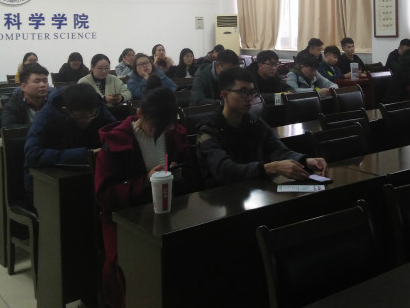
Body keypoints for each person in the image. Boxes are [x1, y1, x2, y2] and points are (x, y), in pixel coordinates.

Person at [95, 87, 199, 308]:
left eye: (166, 127)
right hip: (125, 219)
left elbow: (192, 171)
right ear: (139, 113)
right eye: (155, 127)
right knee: (137, 260)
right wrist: (144, 182)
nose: (159, 133)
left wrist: (179, 172)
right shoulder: (116, 142)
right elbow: (104, 196)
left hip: (170, 210)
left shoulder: (172, 134)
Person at [197, 67, 327, 188]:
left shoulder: (254, 122)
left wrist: (305, 160)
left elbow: (279, 150)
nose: (249, 98)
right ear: (224, 95)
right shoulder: (209, 130)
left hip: (252, 190)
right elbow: (225, 171)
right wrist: (271, 168)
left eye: (252, 92)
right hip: (221, 195)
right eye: (243, 92)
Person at [24, 83, 116, 194]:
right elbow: (33, 155)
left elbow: (116, 134)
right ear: (66, 110)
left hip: (88, 174)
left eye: (91, 115)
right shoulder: (45, 117)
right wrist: (85, 154)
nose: (87, 120)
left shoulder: (97, 107)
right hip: (45, 182)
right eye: (81, 117)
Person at [2, 63, 51, 129]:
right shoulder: (12, 105)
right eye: (37, 81)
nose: (43, 85)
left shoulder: (54, 101)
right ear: (24, 87)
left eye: (45, 81)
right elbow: (8, 127)